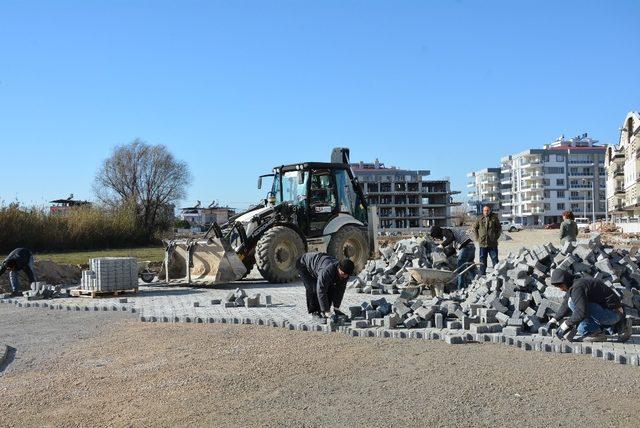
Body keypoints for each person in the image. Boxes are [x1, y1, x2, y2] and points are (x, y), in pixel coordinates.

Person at [547, 269, 632, 342]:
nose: (561, 289)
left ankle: (616, 325)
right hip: (610, 312)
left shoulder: (577, 288)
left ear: (566, 281)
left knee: (573, 305)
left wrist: (565, 325)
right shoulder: (576, 284)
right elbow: (565, 304)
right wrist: (554, 320)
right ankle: (610, 328)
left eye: (561, 286)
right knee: (580, 327)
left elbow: (581, 313)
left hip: (613, 314)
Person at [295, 252, 354, 322]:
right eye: (343, 274)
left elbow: (340, 290)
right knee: (313, 289)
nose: (344, 277)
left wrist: (336, 308)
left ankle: (324, 311)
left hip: (317, 266)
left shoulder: (345, 273)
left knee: (332, 287)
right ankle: (315, 313)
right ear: (339, 268)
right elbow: (321, 290)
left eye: (346, 275)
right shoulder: (327, 270)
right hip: (304, 264)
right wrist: (326, 310)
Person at [472, 205, 502, 276]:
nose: (486, 212)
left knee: (495, 260)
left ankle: (497, 275)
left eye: (487, 210)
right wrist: (477, 238)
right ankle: (483, 275)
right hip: (482, 243)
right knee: (482, 260)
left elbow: (499, 228)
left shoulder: (494, 218)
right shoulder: (479, 218)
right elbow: (475, 228)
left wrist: (495, 237)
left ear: (490, 211)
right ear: (483, 211)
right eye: (484, 210)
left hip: (492, 244)